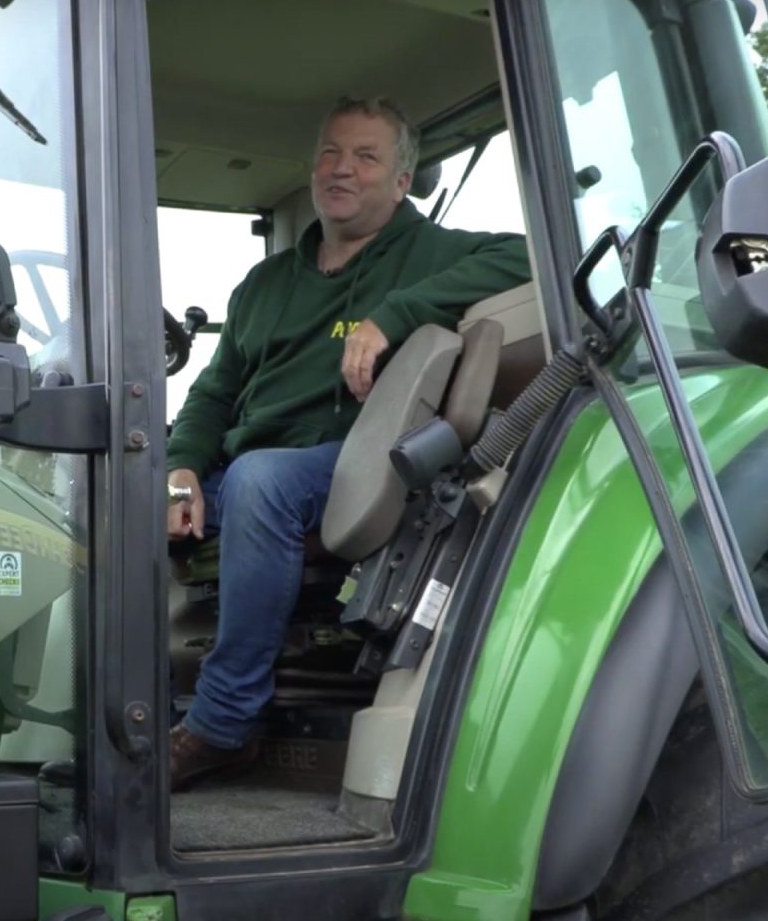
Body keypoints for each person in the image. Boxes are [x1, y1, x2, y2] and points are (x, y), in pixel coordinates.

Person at [165, 96, 532, 790]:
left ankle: (221, 722)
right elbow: (214, 393)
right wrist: (179, 470)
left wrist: (394, 314)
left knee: (261, 482)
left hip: (343, 463)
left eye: (365, 157)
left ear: (400, 182)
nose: (341, 170)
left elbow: (525, 255)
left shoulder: (429, 255)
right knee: (113, 479)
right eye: (330, 153)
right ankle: (134, 709)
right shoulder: (264, 285)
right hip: (242, 463)